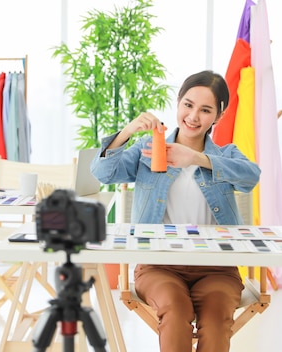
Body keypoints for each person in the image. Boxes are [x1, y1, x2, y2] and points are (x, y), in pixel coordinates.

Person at [90, 70, 261, 352]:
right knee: (175, 309)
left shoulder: (226, 154)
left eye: (205, 110)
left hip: (217, 268)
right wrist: (128, 131)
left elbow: (250, 177)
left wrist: (196, 158)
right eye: (188, 105)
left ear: (218, 116)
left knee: (217, 320)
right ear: (178, 102)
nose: (194, 116)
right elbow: (103, 172)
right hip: (159, 265)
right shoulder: (148, 148)